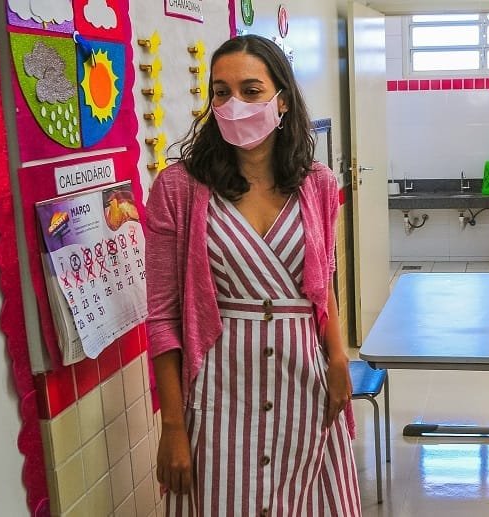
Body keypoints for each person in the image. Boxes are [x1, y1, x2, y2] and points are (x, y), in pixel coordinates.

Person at [145, 35, 360, 516]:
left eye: (251, 90)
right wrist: (174, 427)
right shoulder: (178, 190)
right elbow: (162, 320)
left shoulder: (317, 184)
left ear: (281, 99)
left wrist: (339, 359)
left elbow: (322, 285)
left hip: (304, 387)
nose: (234, 104)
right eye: (221, 92)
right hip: (221, 397)